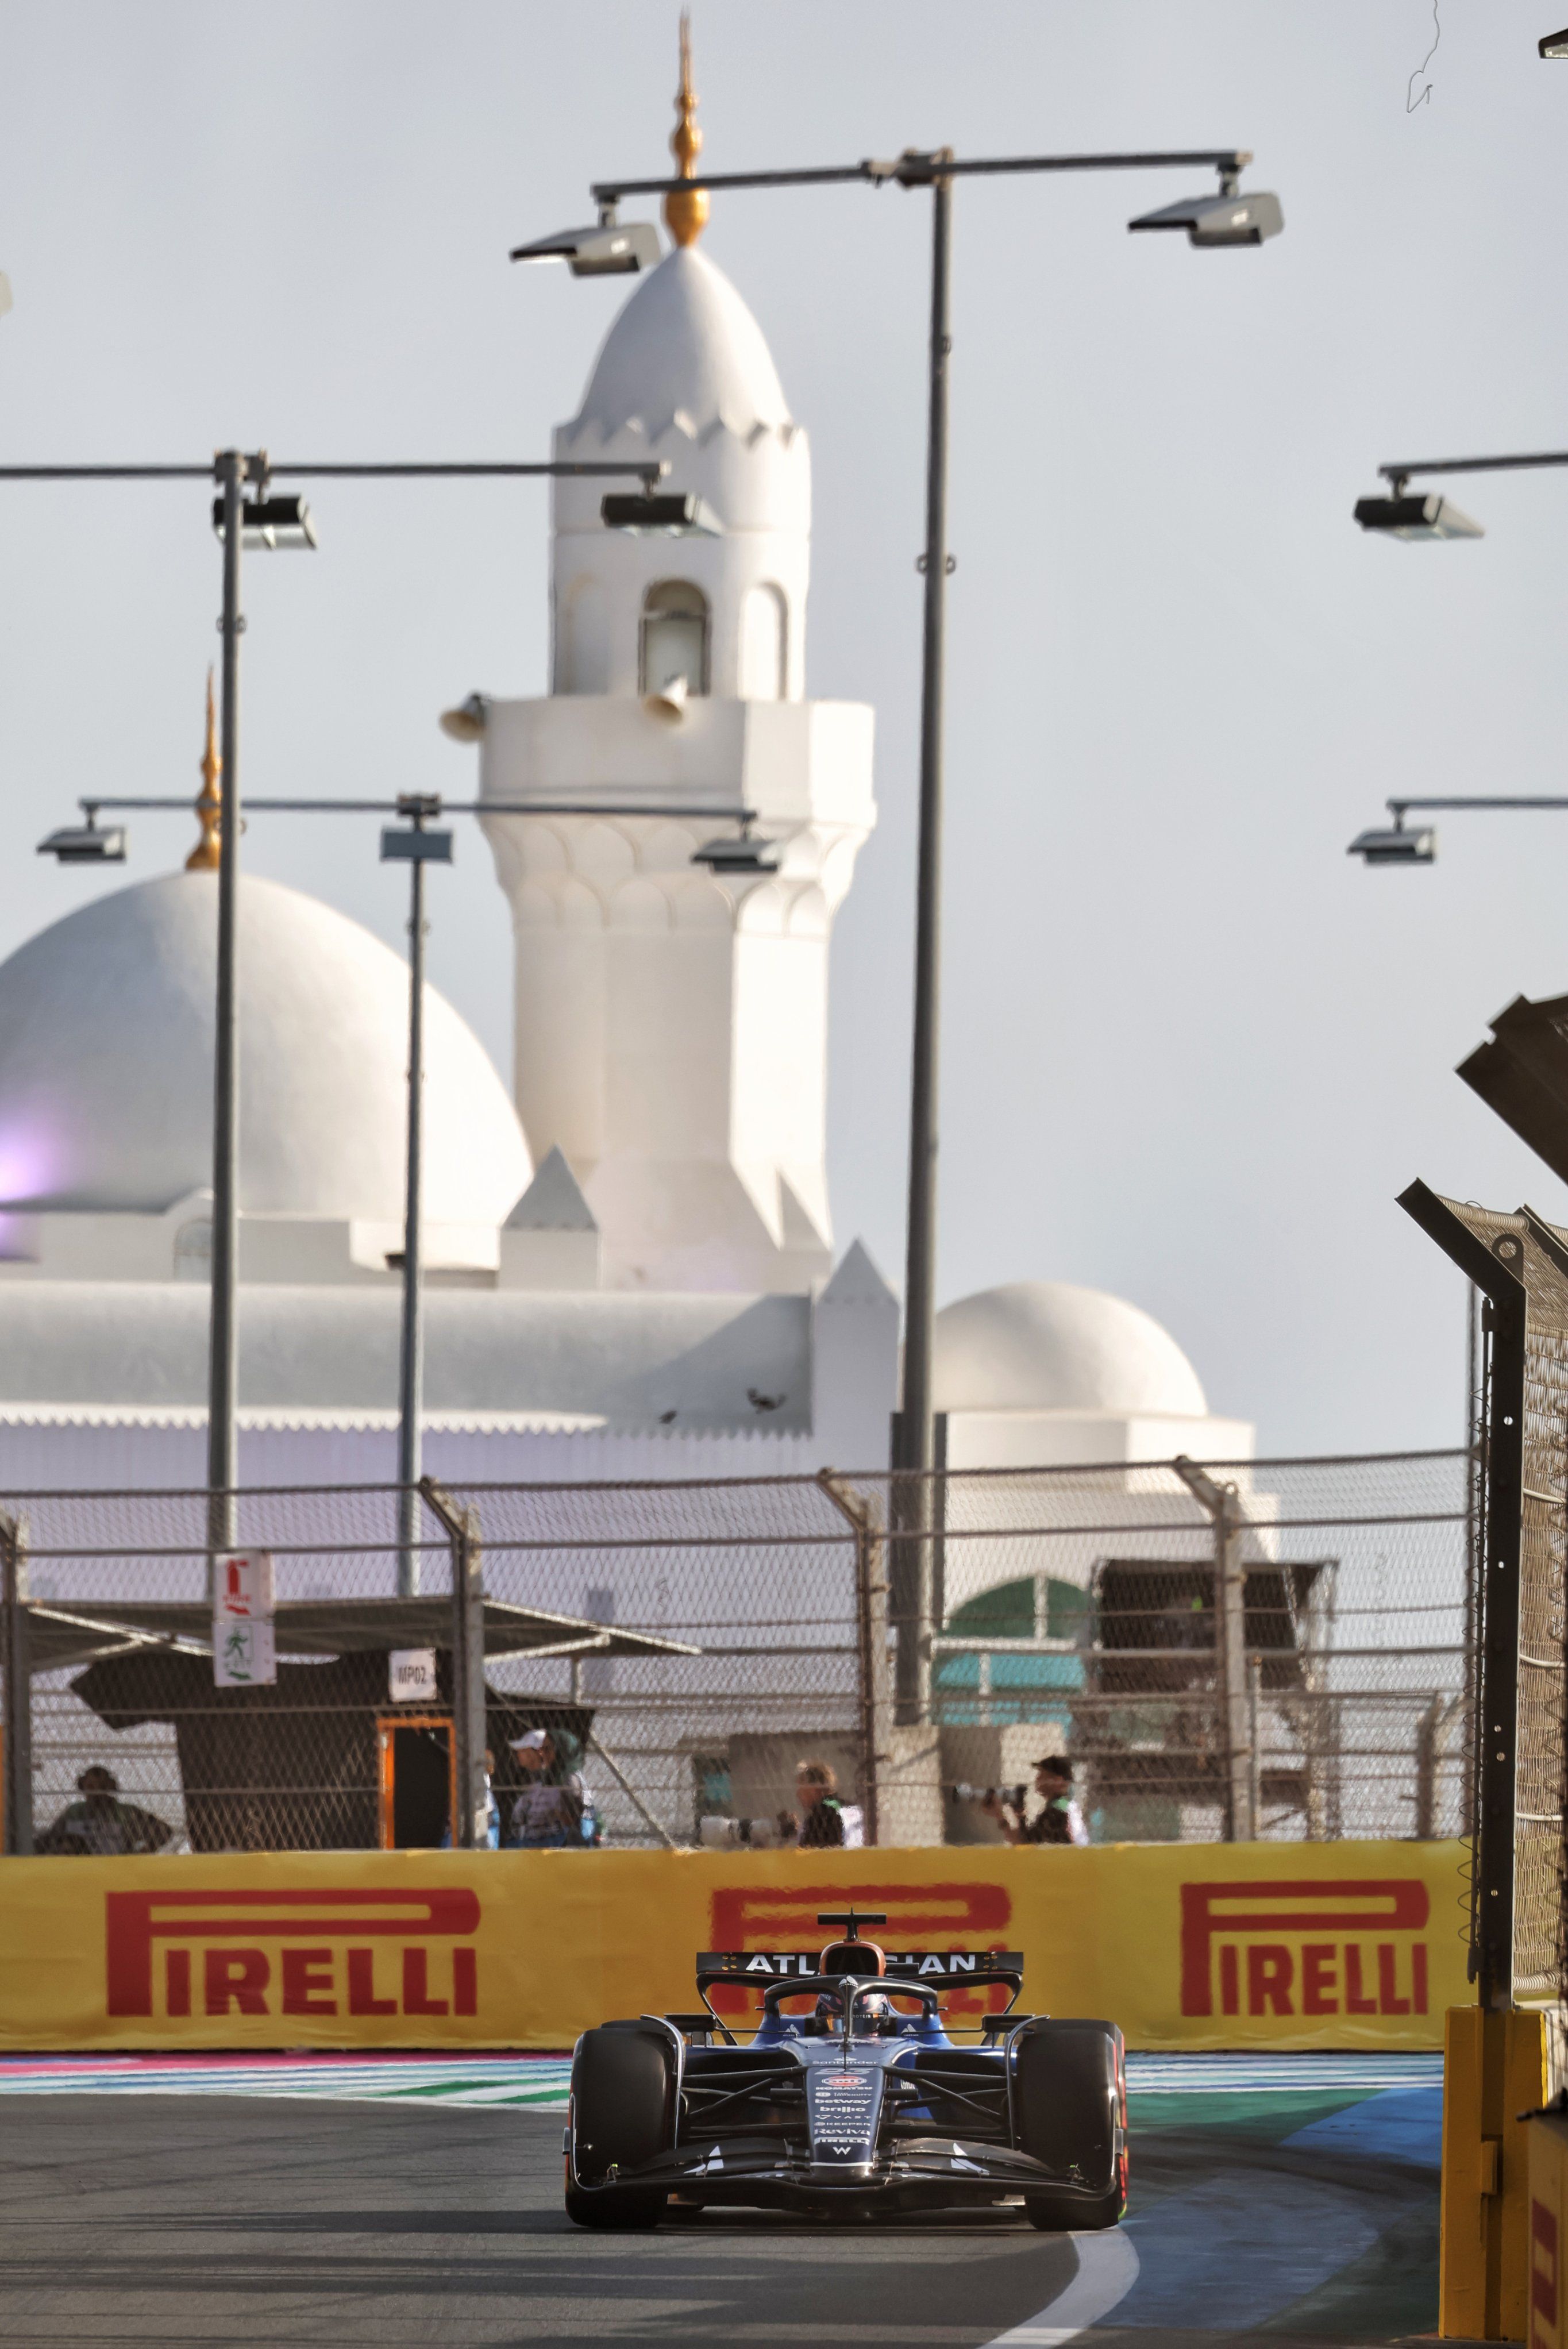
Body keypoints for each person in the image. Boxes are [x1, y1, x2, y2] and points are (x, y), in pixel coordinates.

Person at [35, 1766, 174, 1856]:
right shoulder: (74, 1812)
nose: (93, 1790)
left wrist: (143, 1848)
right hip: (79, 1868)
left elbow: (164, 1831)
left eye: (98, 1785)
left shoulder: (126, 1812)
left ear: (108, 1786)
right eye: (89, 1785)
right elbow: (50, 1838)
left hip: (117, 1866)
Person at [506, 1727, 599, 1849]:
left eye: (548, 1749)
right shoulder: (553, 1777)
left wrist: (556, 1815)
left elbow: (572, 1816)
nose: (542, 1753)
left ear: (561, 1750)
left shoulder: (570, 1778)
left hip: (562, 1843)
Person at [982, 1755, 1089, 1847]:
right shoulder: (1068, 1806)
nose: (1037, 1779)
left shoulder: (1056, 1812)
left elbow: (1025, 1845)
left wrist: (1000, 1815)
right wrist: (1019, 1816)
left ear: (1057, 1780)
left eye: (1042, 1775)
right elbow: (1025, 1841)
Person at [792, 1758, 846, 1849]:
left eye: (801, 1787)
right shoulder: (840, 1805)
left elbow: (809, 1851)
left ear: (814, 1788)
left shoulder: (822, 1814)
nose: (798, 1793)